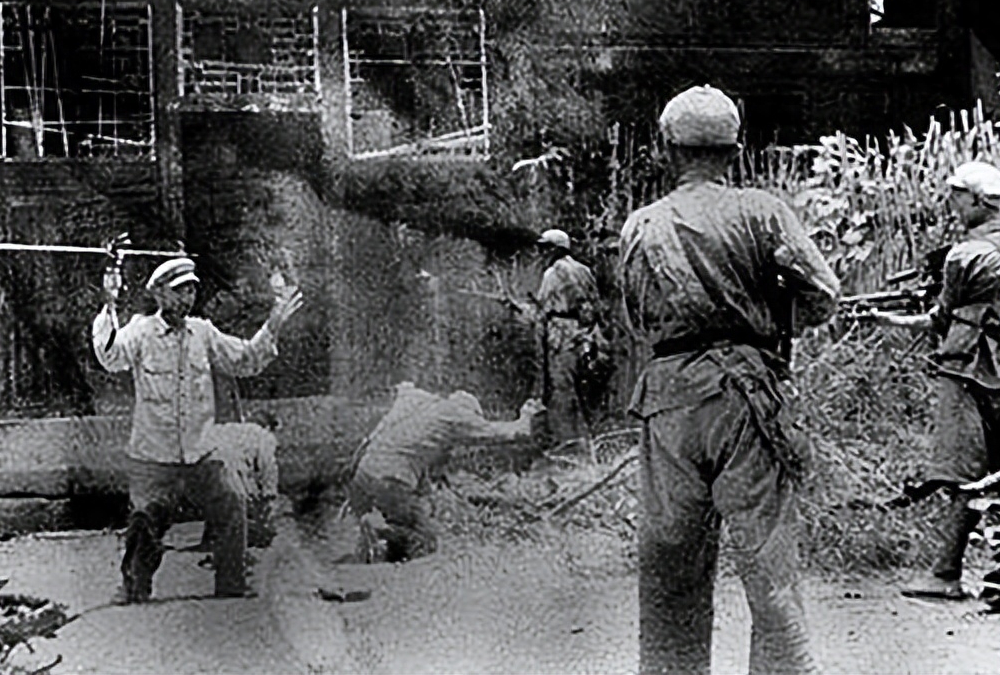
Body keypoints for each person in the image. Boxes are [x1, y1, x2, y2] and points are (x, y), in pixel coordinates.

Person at [618, 85, 839, 675]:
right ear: (736, 151)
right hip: (748, 399)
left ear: (667, 149)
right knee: (769, 565)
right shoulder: (763, 211)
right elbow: (823, 295)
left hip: (669, 400)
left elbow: (637, 319)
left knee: (670, 564)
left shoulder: (640, 225)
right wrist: (771, 313)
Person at [92, 255, 302, 603]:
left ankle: (231, 588)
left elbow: (246, 359)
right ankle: (134, 591)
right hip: (153, 457)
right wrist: (110, 302)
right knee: (145, 522)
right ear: (159, 294)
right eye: (178, 291)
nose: (186, 299)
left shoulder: (203, 333)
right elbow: (110, 356)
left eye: (191, 291)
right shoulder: (141, 332)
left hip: (201, 454)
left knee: (232, 503)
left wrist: (274, 323)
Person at [870, 160, 1000, 600]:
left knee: (965, 474)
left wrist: (889, 321)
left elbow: (941, 317)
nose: (954, 207)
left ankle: (945, 573)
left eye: (957, 198)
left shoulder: (966, 256)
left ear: (977, 201)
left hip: (969, 372)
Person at [347, 381, 543, 563]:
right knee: (427, 541)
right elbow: (513, 433)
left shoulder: (418, 405)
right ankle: (380, 530)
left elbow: (417, 474)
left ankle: (372, 553)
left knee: (400, 539)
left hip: (361, 476)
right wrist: (527, 414)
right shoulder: (456, 415)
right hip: (390, 479)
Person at [535, 228, 602, 448]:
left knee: (562, 389)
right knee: (585, 390)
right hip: (585, 334)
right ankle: (591, 440)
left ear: (556, 249)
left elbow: (543, 307)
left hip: (561, 332)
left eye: (545, 248)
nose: (542, 253)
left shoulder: (552, 273)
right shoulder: (584, 270)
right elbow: (596, 303)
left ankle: (568, 443)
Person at [197, 414, 281, 552]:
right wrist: (269, 496)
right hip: (231, 475)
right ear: (268, 427)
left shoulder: (223, 428)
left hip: (204, 472)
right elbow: (268, 468)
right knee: (242, 508)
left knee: (218, 505)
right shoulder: (263, 435)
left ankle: (212, 540)